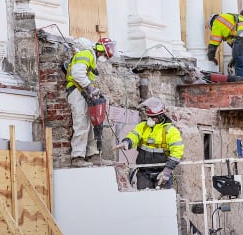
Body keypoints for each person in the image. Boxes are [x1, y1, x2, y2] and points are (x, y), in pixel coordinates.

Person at [66, 36, 116, 167]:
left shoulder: (92, 57)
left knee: (93, 124)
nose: (104, 57)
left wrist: (90, 89)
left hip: (83, 92)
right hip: (76, 92)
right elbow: (77, 73)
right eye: (105, 54)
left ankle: (93, 155)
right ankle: (77, 157)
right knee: (81, 123)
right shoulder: (86, 54)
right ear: (100, 50)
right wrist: (89, 87)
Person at [116, 97, 184, 189]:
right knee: (145, 200)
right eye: (149, 117)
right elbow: (134, 135)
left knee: (162, 200)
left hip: (162, 173)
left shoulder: (171, 131)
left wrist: (167, 171)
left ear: (160, 116)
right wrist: (127, 142)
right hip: (144, 173)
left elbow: (177, 153)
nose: (150, 120)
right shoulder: (143, 127)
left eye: (153, 117)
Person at [207, 11, 243, 78]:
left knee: (240, 66)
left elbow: (214, 42)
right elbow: (234, 44)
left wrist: (211, 57)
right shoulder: (230, 17)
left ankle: (242, 86)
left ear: (212, 23)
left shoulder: (217, 21)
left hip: (241, 36)